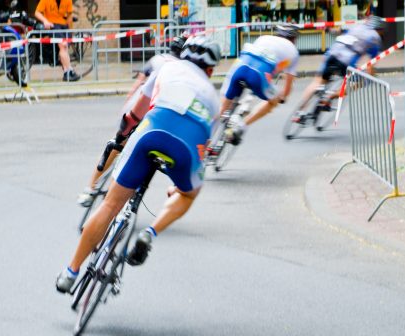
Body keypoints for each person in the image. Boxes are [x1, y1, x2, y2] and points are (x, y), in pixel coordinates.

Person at [56, 36, 223, 293]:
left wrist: (122, 135)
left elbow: (135, 114)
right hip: (187, 149)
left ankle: (70, 272)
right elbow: (205, 147)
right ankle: (151, 233)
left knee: (111, 204)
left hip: (151, 132)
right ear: (210, 70)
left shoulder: (166, 68)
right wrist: (180, 187)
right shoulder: (214, 98)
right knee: (190, 194)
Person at [75, 36, 187, 208]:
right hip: (155, 117)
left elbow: (138, 84)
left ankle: (90, 188)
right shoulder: (181, 70)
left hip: (135, 108)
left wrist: (127, 107)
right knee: (149, 156)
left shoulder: (157, 59)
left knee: (115, 147)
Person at [293, 16, 386, 122]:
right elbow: (371, 64)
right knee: (361, 81)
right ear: (380, 29)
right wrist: (370, 77)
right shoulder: (375, 38)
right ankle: (330, 96)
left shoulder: (357, 27)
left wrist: (329, 29)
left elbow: (338, 31)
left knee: (317, 81)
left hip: (331, 54)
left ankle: (299, 112)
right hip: (346, 61)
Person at [220, 24, 300, 144]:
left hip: (240, 66)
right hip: (258, 75)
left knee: (225, 103)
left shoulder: (263, 38)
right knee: (273, 101)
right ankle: (242, 126)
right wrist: (281, 97)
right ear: (294, 39)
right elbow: (287, 90)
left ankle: (216, 128)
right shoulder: (293, 52)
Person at [34, 0, 80, 81]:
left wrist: (70, 31)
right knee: (63, 45)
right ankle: (69, 71)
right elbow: (37, 12)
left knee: (64, 48)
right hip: (53, 25)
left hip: (64, 26)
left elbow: (69, 16)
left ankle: (67, 72)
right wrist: (45, 21)